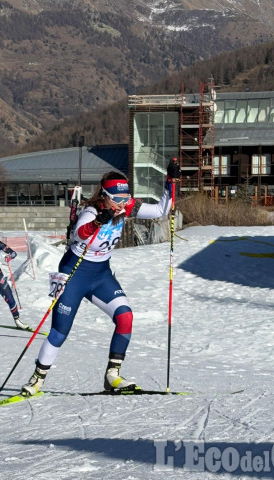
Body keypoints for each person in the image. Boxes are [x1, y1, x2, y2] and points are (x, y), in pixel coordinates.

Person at [21, 162, 181, 396]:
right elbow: (80, 233)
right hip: (74, 273)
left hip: (100, 275)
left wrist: (170, 182)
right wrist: (99, 221)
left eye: (126, 198)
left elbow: (160, 211)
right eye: (117, 199)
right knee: (59, 331)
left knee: (125, 317)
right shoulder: (91, 211)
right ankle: (37, 379)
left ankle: (112, 376)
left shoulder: (125, 208)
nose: (122, 204)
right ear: (104, 197)